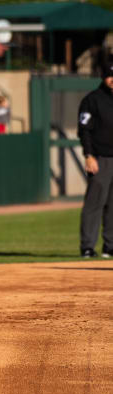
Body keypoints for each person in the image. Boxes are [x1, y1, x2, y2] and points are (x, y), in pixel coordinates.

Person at [77, 62, 113, 258]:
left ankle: (110, 245)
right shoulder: (93, 100)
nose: (112, 79)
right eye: (109, 75)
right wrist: (89, 155)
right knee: (95, 203)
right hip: (100, 158)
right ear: (103, 77)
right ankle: (88, 246)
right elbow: (84, 130)